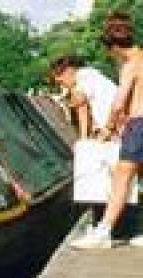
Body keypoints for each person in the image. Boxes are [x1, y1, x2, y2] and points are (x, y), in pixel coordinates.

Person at [71, 12, 143, 249]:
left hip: (138, 125)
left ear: (114, 47)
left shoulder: (130, 65)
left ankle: (103, 231)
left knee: (121, 177)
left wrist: (109, 128)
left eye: (109, 51)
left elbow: (119, 102)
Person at [50, 55, 118, 139]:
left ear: (69, 71)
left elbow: (81, 107)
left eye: (61, 82)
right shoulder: (91, 75)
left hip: (114, 124)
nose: (62, 86)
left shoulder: (82, 77)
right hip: (115, 123)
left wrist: (83, 139)